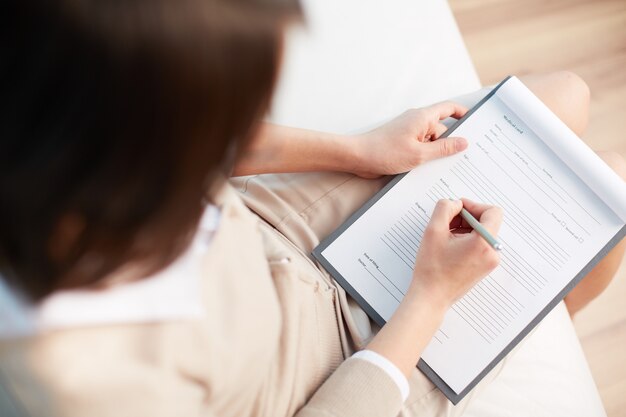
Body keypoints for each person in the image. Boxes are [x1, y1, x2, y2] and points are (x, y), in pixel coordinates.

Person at [1, 1, 625, 416]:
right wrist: (431, 298)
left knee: (563, 98)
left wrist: (360, 152)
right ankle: (518, 323)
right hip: (326, 372)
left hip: (279, 228)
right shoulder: (91, 382)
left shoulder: (53, 108)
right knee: (609, 198)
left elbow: (208, 140)